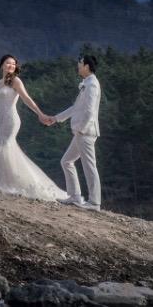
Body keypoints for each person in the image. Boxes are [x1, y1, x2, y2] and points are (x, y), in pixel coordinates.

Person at [0, 55, 67, 201]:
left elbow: (27, 98)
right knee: (1, 146)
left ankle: (12, 184)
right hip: (0, 120)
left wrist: (40, 114)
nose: (10, 66)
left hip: (11, 119)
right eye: (8, 63)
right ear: (1, 65)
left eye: (13, 64)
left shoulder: (15, 81)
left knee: (5, 146)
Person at [41, 54, 101, 211]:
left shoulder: (92, 85)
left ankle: (94, 202)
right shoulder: (86, 84)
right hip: (81, 132)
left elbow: (89, 111)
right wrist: (55, 118)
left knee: (89, 166)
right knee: (66, 161)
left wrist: (81, 128)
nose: (78, 66)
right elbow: (75, 108)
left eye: (80, 63)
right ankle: (75, 196)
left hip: (85, 132)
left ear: (87, 66)